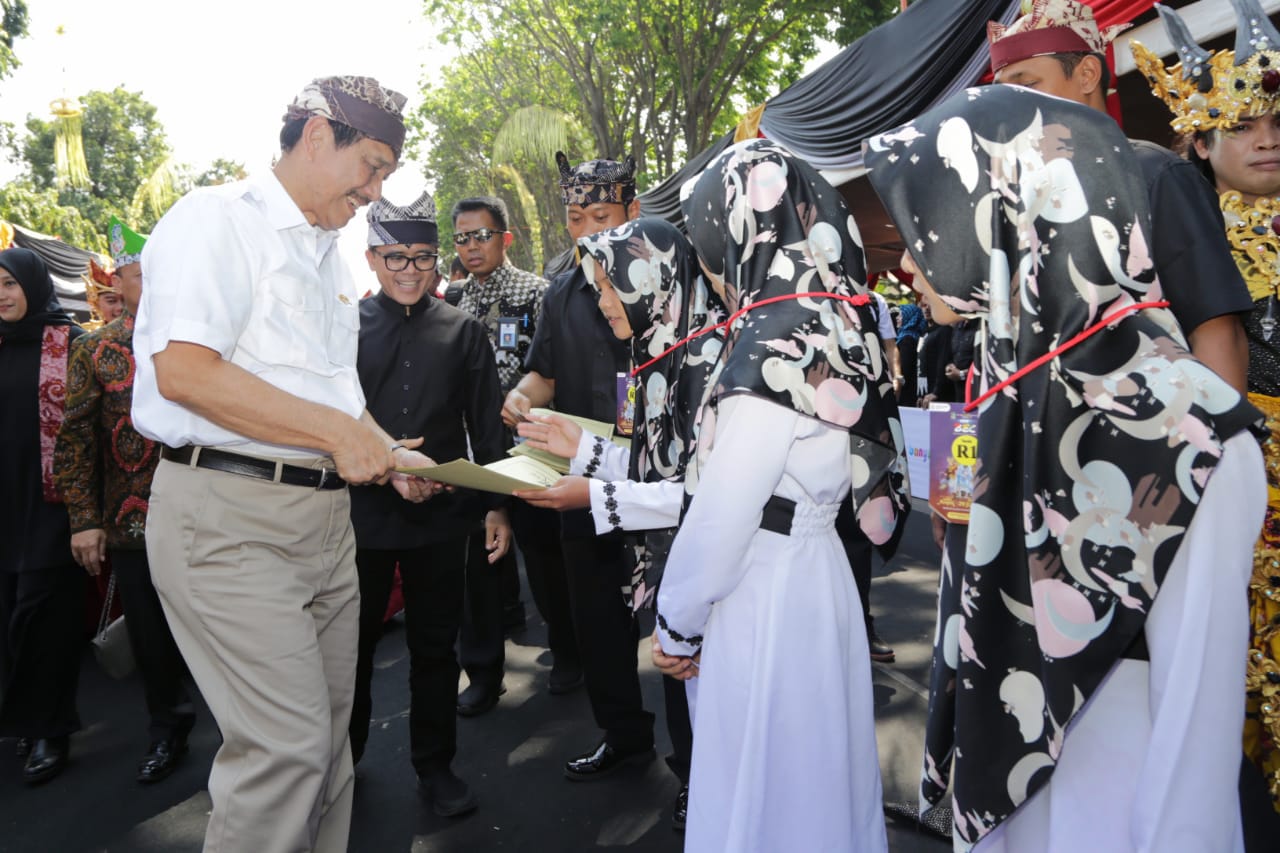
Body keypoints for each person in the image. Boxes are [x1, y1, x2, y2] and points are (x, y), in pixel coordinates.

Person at [865, 82, 1266, 852]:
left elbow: (1198, 725)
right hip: (1027, 800)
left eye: (924, 219)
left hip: (1116, 799)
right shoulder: (1016, 390)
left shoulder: (1194, 428)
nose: (907, 258)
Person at [133, 76, 439, 853]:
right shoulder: (216, 221)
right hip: (230, 517)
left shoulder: (331, 261)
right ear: (313, 137)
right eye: (368, 167)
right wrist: (341, 437)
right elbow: (187, 373)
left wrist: (388, 451)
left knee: (330, 748)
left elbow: (332, 396)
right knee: (286, 751)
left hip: (326, 524)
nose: (374, 192)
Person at [653, 138, 910, 853]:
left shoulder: (772, 338)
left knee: (767, 783)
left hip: (764, 584)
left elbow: (728, 504)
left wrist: (677, 620)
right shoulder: (836, 317)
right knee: (819, 771)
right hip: (817, 566)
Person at [514, 216, 725, 829]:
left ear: (648, 280)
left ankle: (705, 784)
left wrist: (595, 495)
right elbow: (659, 461)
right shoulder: (666, 353)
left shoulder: (706, 361)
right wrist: (579, 444)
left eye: (609, 287)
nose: (601, 302)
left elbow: (701, 496)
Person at [1133, 0, 1280, 833]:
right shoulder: (1169, 245)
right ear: (1199, 138)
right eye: (1242, 124)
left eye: (1276, 121)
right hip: (1226, 499)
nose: (1266, 138)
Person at [988, 0, 1253, 394]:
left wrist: (1225, 447)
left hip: (1157, 430)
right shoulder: (1025, 192)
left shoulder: (1151, 173)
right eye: (1002, 92)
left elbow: (1215, 327)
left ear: (1088, 74)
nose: (1010, 105)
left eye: (1027, 86)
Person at [349, 191, 510, 816]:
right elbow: (335, 416)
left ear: (438, 261)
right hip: (362, 515)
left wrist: (498, 507)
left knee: (435, 650)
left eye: (422, 257)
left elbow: (485, 428)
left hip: (444, 518)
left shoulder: (464, 330)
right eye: (395, 257)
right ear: (372, 258)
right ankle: (344, 760)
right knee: (351, 649)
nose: (409, 270)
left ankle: (435, 767)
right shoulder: (346, 328)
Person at [505, 153, 657, 781]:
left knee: (686, 619)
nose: (590, 230)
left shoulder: (663, 283)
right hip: (578, 480)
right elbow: (546, 373)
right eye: (576, 218)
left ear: (634, 212)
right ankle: (623, 734)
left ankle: (700, 760)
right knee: (597, 619)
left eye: (603, 215)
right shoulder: (561, 291)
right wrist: (520, 395)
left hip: (657, 474)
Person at [52, 216, 196, 785]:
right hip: (132, 520)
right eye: (140, 274)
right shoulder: (95, 350)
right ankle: (168, 727)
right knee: (152, 636)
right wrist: (84, 521)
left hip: (207, 511)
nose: (152, 283)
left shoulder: (196, 343)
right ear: (119, 281)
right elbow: (75, 439)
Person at [449, 195, 552, 714]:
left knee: (544, 555)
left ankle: (570, 651)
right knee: (479, 565)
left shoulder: (537, 293)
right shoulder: (449, 299)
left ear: (504, 238)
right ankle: (484, 675)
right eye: (462, 238)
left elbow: (555, 370)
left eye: (481, 235)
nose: (471, 246)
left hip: (529, 449)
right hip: (473, 452)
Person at [0, 247, 86, 786]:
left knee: (43, 623)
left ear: (32, 283)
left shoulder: (71, 343)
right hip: (4, 509)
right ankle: (23, 721)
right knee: (8, 622)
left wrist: (87, 516)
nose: (2, 295)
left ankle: (51, 729)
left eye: (9, 284)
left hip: (52, 509)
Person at [894, 302, 927, 408]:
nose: (897, 318)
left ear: (909, 317)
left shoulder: (907, 339)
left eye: (901, 315)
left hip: (905, 391)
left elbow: (904, 369)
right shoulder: (913, 336)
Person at [82, 256, 124, 330]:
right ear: (97, 303)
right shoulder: (90, 339)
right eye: (111, 301)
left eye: (126, 301)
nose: (120, 307)